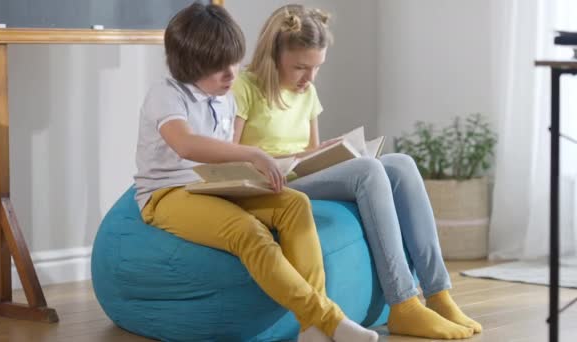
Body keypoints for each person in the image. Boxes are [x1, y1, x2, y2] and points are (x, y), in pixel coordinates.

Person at [232, 4, 482, 340]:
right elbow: (232, 158)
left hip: (303, 173)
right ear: (272, 56)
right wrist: (302, 155)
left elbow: (311, 153)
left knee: (401, 164)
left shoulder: (308, 93)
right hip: (274, 183)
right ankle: (403, 303)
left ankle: (438, 294)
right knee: (367, 171)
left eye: (317, 67)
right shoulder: (245, 88)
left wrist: (326, 152)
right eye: (300, 67)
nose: (309, 77)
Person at [133, 3, 378, 342]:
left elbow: (224, 158)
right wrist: (252, 153)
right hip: (168, 193)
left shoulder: (224, 97)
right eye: (218, 68)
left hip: (216, 186)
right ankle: (326, 317)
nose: (231, 75)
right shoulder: (167, 94)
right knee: (247, 232)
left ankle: (311, 330)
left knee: (294, 204)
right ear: (190, 64)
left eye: (233, 63)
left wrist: (264, 169)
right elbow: (185, 144)